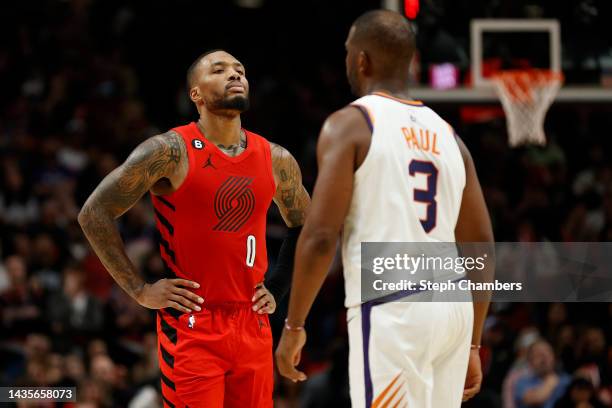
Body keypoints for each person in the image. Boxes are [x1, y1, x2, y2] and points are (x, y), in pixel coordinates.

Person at [275, 10, 494, 408]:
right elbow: (481, 244)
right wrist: (474, 342)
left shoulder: (350, 124)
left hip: (394, 304)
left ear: (361, 60)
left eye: (347, 52)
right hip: (453, 308)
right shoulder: (450, 137)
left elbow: (322, 235)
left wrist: (294, 325)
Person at [78, 49, 310, 408]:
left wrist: (278, 286)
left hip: (253, 323)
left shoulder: (276, 158)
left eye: (240, 70)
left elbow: (305, 228)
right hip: (192, 324)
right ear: (196, 95)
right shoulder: (169, 150)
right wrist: (139, 289)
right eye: (219, 70)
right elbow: (94, 213)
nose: (235, 75)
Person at [514, 340, 571, 408]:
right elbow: (535, 399)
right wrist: (551, 380)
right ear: (530, 361)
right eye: (538, 355)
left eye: (547, 353)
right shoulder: (522, 382)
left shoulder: (567, 380)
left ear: (554, 358)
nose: (544, 358)